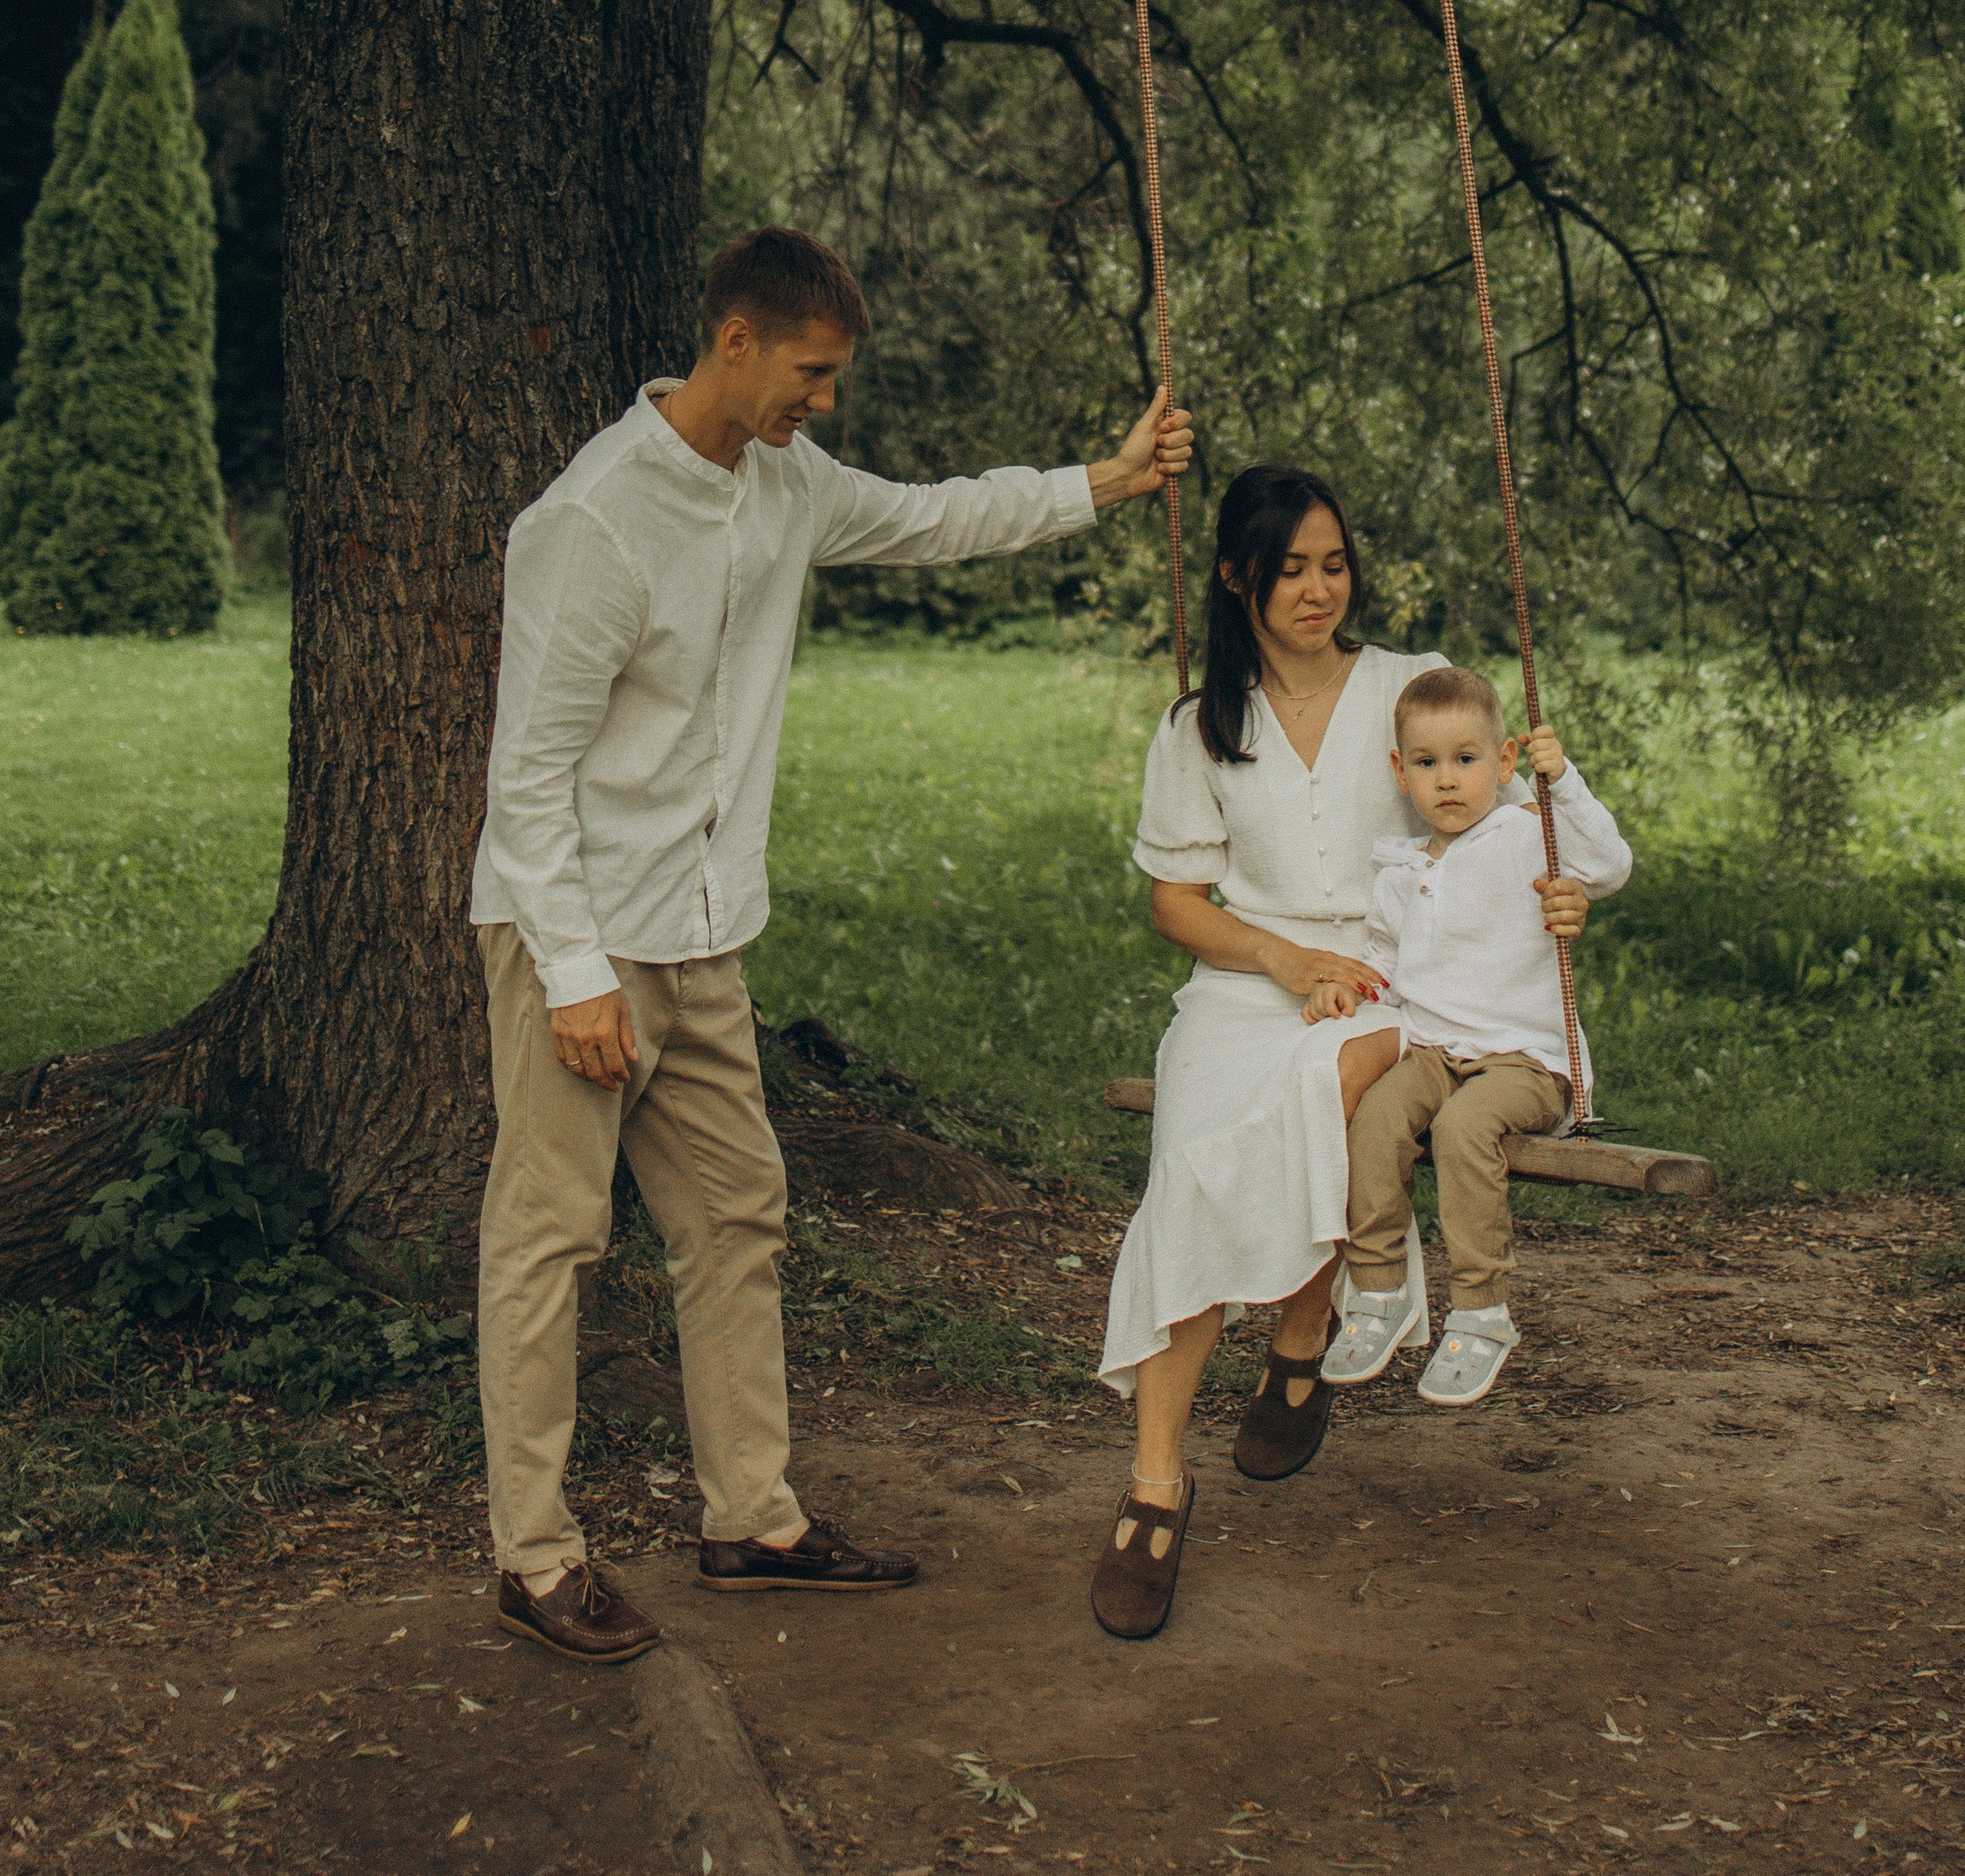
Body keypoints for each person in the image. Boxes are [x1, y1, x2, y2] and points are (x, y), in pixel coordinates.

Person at [472, 224, 1194, 1667]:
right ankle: (534, 1557)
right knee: (549, 1241)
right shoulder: (594, 522)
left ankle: (755, 1520)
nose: (825, 402)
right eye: (813, 371)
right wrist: (572, 976)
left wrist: (1103, 484)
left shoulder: (788, 484)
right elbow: (525, 781)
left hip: (704, 932)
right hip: (584, 939)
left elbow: (931, 519)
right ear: (734, 340)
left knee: (739, 1220)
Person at [1088, 463, 1592, 1641]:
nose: (1319, 590)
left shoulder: (1406, 689)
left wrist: (1558, 883)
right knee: (1192, 1170)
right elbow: (1176, 899)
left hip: (1392, 985)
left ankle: (1305, 1332)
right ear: (1237, 579)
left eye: (1334, 565)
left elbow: (1498, 808)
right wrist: (1277, 960)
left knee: (1326, 1089)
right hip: (1243, 985)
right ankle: (1158, 1477)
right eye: (1290, 570)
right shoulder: (1202, 724)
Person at [1304, 661, 1628, 1406]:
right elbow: (1384, 960)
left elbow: (1610, 866)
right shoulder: (1400, 869)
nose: (1447, 780)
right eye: (1426, 763)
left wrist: (1564, 779)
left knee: (1462, 1130)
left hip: (1526, 1060)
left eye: (1466, 759)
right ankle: (1380, 1291)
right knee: (1376, 1116)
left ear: (1505, 762)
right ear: (1401, 772)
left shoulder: (1525, 835)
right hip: (1432, 1049)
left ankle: (1483, 1311)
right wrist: (1347, 988)